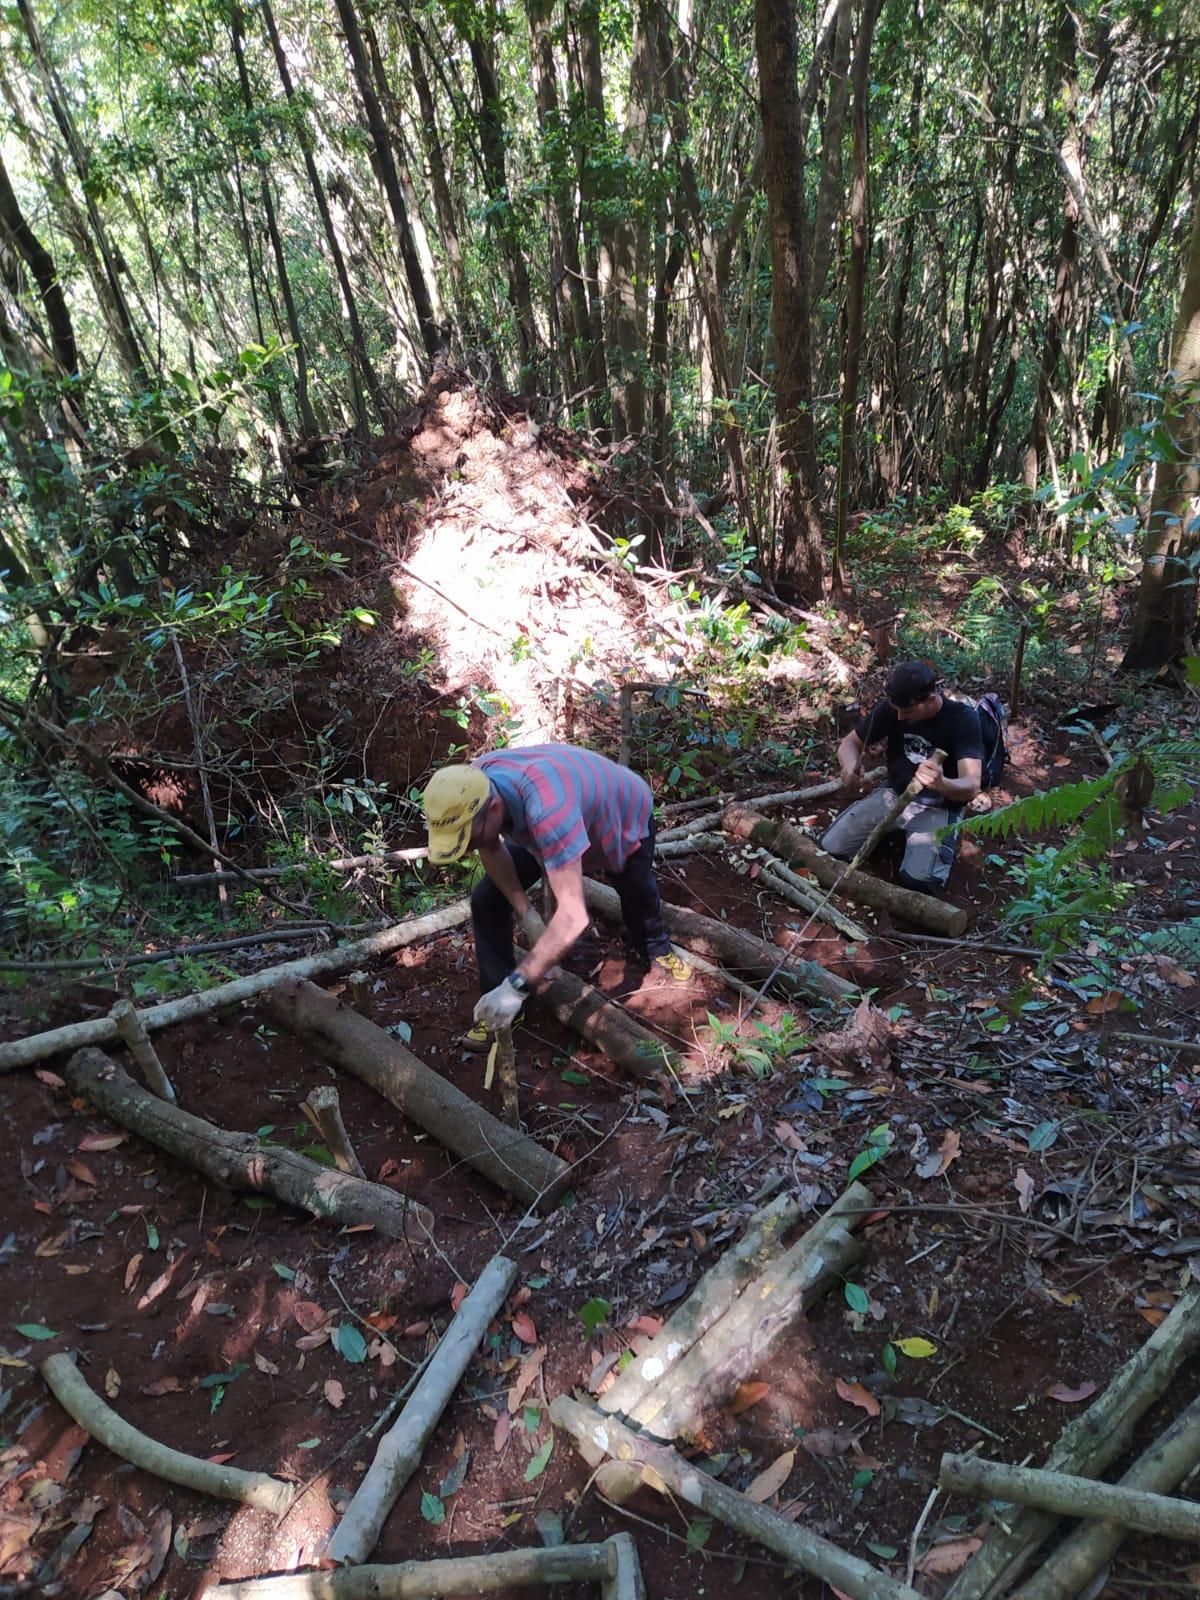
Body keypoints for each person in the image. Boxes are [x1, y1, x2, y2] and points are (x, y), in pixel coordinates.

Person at [421, 744, 690, 1047]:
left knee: (635, 889)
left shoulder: (547, 811)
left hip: (621, 811)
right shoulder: (475, 784)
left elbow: (573, 916)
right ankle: (498, 1010)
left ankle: (656, 948)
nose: (469, 847)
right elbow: (490, 847)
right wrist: (528, 914)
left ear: (494, 808)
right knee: (487, 900)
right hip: (562, 807)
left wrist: (518, 984)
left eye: (469, 838)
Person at [821, 661, 983, 893]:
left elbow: (971, 785)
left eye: (907, 712)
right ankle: (895, 838)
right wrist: (848, 766)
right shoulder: (894, 709)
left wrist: (942, 783)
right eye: (896, 709)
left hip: (938, 806)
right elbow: (850, 743)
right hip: (893, 794)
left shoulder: (962, 719)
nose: (898, 717)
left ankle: (928, 843)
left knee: (920, 883)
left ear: (930, 699)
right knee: (830, 847)